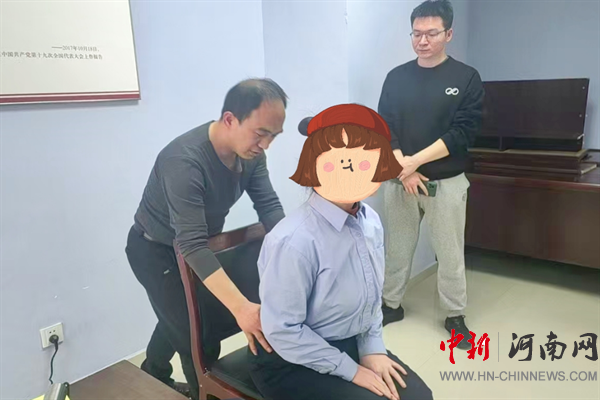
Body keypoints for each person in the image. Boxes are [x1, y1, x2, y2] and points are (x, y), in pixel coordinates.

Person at [248, 104, 434, 400]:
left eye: (365, 163)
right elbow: (283, 330)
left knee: (419, 397)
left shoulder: (370, 221)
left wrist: (372, 348)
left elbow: (371, 297)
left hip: (349, 341)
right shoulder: (293, 240)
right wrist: (350, 369)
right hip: (290, 359)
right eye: (340, 164)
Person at [125, 78, 288, 399]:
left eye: (273, 136)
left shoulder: (252, 155)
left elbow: (269, 207)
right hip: (155, 250)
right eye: (260, 133)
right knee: (198, 339)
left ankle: (153, 371)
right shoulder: (183, 161)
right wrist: (242, 308)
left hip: (197, 246)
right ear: (230, 119)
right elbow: (193, 245)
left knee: (179, 315)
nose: (266, 144)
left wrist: (295, 252)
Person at [377, 0, 485, 350]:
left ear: (448, 34)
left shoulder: (466, 78)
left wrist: (414, 163)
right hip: (399, 181)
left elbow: (462, 133)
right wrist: (403, 168)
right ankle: (390, 305)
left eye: (431, 33)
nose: (422, 41)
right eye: (416, 34)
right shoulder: (396, 77)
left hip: (446, 182)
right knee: (397, 248)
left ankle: (455, 315)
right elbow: (385, 126)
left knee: (450, 253)